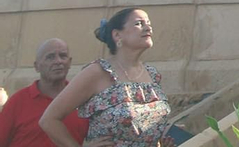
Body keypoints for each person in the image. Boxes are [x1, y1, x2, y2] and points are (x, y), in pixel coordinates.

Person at [40, 8, 169, 147]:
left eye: (148, 23)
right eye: (139, 23)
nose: (147, 27)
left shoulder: (153, 75)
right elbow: (49, 120)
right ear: (117, 35)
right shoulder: (98, 72)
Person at [0, 40, 88, 147]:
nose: (58, 61)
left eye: (63, 56)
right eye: (50, 57)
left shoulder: (82, 101)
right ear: (37, 66)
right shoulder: (18, 102)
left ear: (69, 62)